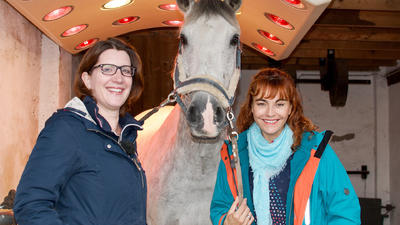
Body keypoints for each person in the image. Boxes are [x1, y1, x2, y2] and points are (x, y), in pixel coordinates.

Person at [13, 38, 147, 225]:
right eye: (107, 69)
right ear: (87, 79)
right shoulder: (66, 128)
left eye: (126, 70)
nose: (118, 78)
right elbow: (30, 205)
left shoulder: (126, 137)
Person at [210, 68, 360, 225]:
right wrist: (227, 222)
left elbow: (345, 211)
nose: (270, 113)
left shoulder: (316, 150)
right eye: (262, 103)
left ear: (290, 108)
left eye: (279, 104)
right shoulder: (234, 152)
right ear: (252, 107)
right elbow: (220, 208)